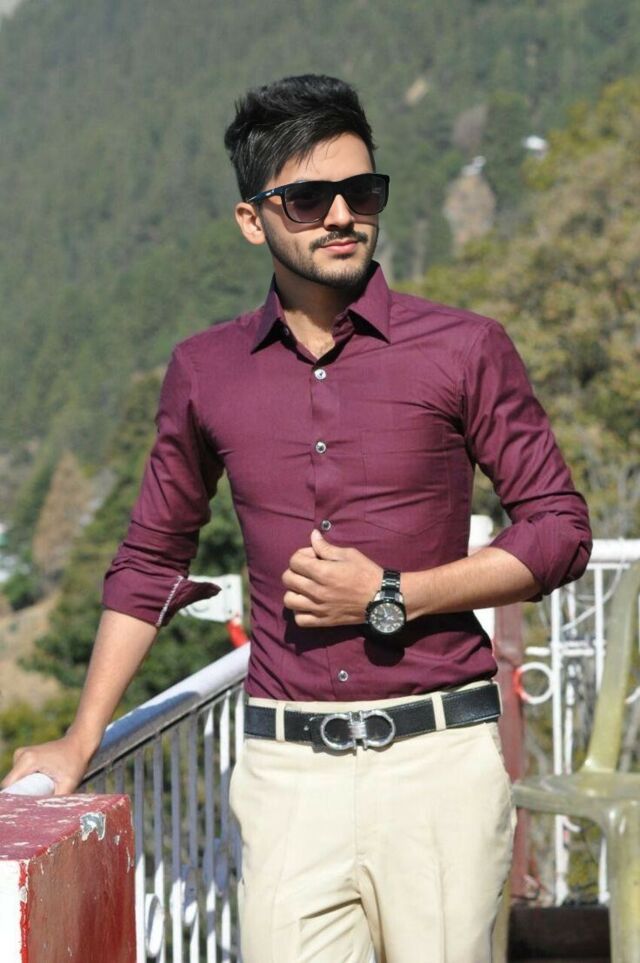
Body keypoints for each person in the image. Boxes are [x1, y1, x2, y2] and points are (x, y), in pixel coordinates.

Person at [2, 75, 591, 962]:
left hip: (439, 764)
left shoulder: (466, 348)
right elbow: (151, 559)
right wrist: (82, 736)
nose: (342, 215)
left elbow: (559, 529)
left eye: (363, 191)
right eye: (309, 199)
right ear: (254, 220)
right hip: (285, 776)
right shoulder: (205, 370)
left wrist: (392, 592)